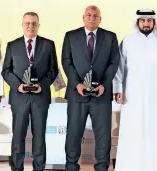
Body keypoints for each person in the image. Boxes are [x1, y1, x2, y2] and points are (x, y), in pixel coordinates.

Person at [113, 8, 157, 171]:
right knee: (132, 134)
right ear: (138, 22)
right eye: (143, 20)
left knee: (156, 135)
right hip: (132, 98)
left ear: (154, 22)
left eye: (149, 20)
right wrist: (118, 90)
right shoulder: (127, 41)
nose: (146, 23)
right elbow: (119, 68)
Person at [62, 5, 120, 171]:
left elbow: (114, 62)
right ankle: (71, 166)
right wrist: (77, 83)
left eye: (95, 16)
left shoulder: (110, 37)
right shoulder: (71, 36)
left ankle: (102, 166)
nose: (92, 18)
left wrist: (104, 84)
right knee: (73, 133)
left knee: (103, 135)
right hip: (77, 94)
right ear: (83, 17)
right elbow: (66, 61)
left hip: (101, 95)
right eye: (89, 15)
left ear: (100, 19)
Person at [1, 12, 58, 171]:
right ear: (22, 25)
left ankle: (38, 168)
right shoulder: (12, 45)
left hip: (40, 97)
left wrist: (43, 85)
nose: (30, 26)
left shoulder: (48, 45)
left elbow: (53, 70)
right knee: (18, 136)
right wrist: (17, 85)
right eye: (27, 23)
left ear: (38, 25)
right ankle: (16, 168)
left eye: (34, 23)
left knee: (39, 137)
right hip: (19, 98)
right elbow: (6, 71)